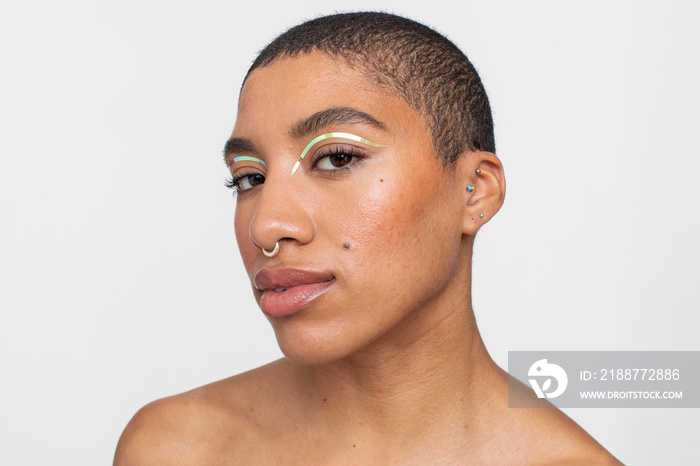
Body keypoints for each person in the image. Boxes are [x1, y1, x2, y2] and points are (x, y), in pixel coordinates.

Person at [115, 12, 621, 464]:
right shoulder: (176, 448)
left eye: (337, 158)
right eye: (249, 177)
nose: (265, 227)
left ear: (474, 192)